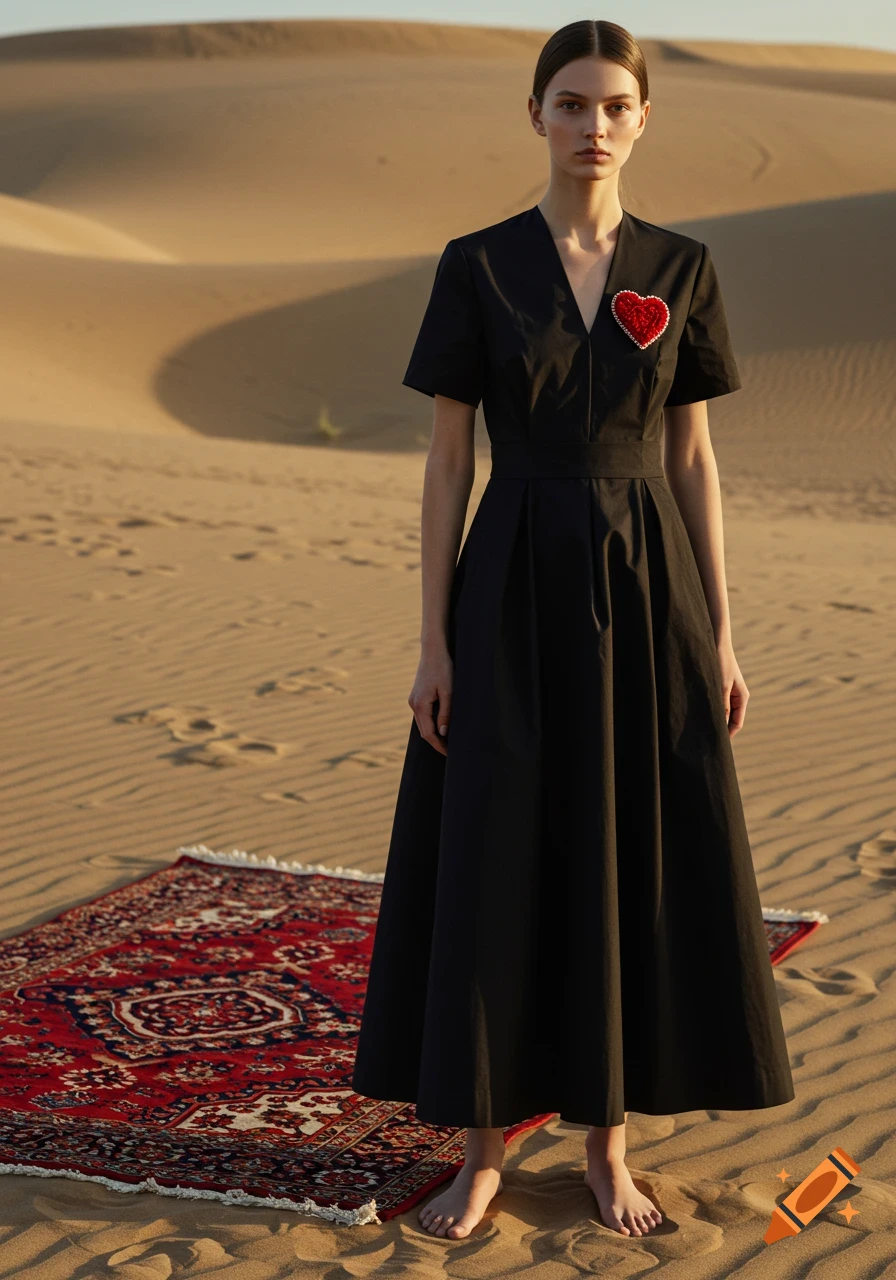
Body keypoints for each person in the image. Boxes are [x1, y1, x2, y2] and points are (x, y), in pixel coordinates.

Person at [351, 17, 795, 1242]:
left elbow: (693, 458)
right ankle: (482, 1155)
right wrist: (432, 640)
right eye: (568, 103)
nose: (590, 126)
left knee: (623, 853)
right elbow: (448, 459)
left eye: (611, 105)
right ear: (534, 114)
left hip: (645, 586)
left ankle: (606, 1149)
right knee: (493, 845)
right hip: (506, 583)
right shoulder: (478, 263)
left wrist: (719, 630)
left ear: (642, 118)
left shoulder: (682, 265)